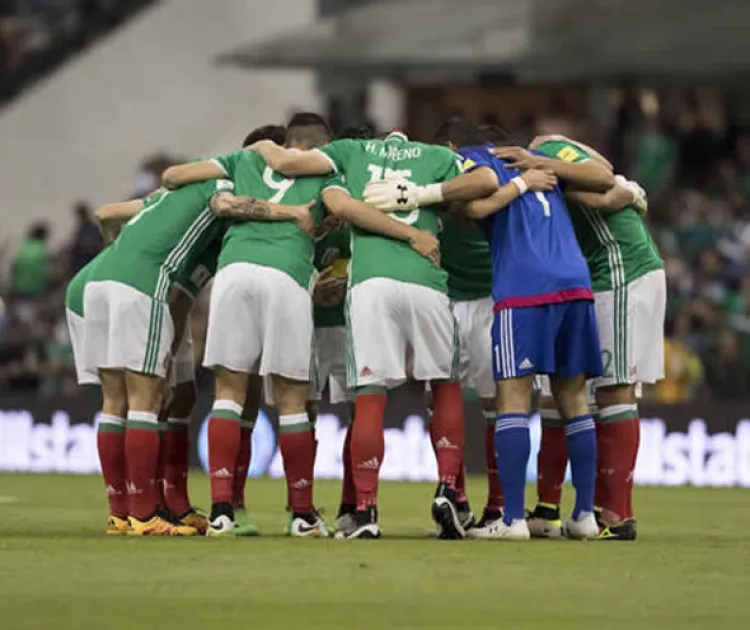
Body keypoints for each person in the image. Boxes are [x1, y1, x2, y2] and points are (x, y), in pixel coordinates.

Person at [163, 113, 439, 538]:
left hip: (234, 273)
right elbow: (347, 208)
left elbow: (174, 175)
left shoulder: (245, 160)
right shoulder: (327, 179)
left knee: (228, 393)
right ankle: (303, 515)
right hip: (287, 278)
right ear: (320, 149)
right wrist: (411, 235)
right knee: (293, 401)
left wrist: (254, 159)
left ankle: (221, 511)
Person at [364, 118, 605, 540]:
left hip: (525, 287)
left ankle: (510, 519)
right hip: (576, 284)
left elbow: (473, 204)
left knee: (511, 397)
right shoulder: (540, 162)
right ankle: (584, 515)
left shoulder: (476, 161)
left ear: (454, 148)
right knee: (574, 399)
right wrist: (535, 167)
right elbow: (604, 177)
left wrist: (433, 192)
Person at [247, 127, 468, 540]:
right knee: (444, 384)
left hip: (370, 285)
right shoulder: (436, 154)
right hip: (427, 279)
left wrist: (264, 147)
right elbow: (484, 181)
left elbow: (325, 193)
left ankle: (365, 510)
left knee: (369, 394)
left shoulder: (351, 153)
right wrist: (427, 199)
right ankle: (449, 490)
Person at [82, 176, 310, 536]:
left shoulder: (168, 198)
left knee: (117, 401)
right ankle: (144, 515)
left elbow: (106, 213)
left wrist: (120, 250)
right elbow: (223, 208)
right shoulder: (223, 189)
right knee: (147, 399)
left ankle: (124, 512)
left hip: (96, 282)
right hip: (143, 285)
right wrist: (292, 211)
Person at [498, 135, 664, 541]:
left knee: (614, 390)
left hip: (620, 270)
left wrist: (544, 151)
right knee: (565, 387)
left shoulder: (545, 152)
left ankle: (616, 515)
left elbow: (602, 174)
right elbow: (606, 174)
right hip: (588, 280)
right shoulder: (533, 176)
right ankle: (549, 508)